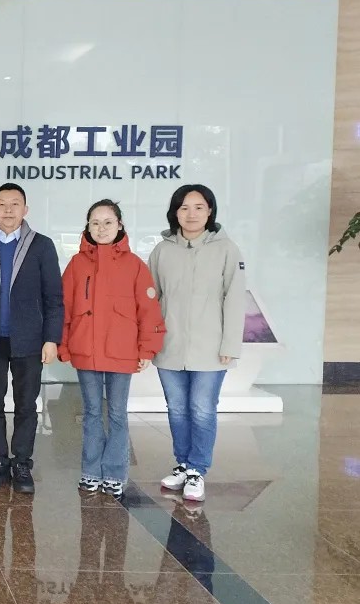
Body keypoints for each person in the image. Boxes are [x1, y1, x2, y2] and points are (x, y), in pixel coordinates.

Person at [58, 199, 165, 498]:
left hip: (122, 351)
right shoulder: (77, 264)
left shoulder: (135, 265)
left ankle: (115, 473)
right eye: (95, 223)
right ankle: (91, 472)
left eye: (108, 222)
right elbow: (63, 308)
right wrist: (63, 344)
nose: (101, 228)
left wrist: (146, 349)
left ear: (120, 225)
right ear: (87, 227)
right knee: (92, 412)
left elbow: (148, 310)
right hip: (87, 350)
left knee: (117, 413)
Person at [0, 183, 63, 494]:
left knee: (26, 404)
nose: (8, 210)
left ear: (25, 209)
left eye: (15, 203)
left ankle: (21, 462)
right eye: (2, 204)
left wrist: (51, 338)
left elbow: (54, 297)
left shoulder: (42, 246)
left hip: (29, 339)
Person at [149, 184, 245, 503]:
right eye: (184, 207)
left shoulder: (226, 249)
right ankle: (183, 464)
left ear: (210, 211)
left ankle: (197, 470)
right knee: (177, 409)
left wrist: (230, 344)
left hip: (210, 348)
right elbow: (151, 300)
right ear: (175, 212)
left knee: (202, 409)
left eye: (199, 207)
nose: (191, 214)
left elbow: (234, 298)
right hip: (170, 346)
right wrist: (149, 342)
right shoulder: (162, 251)